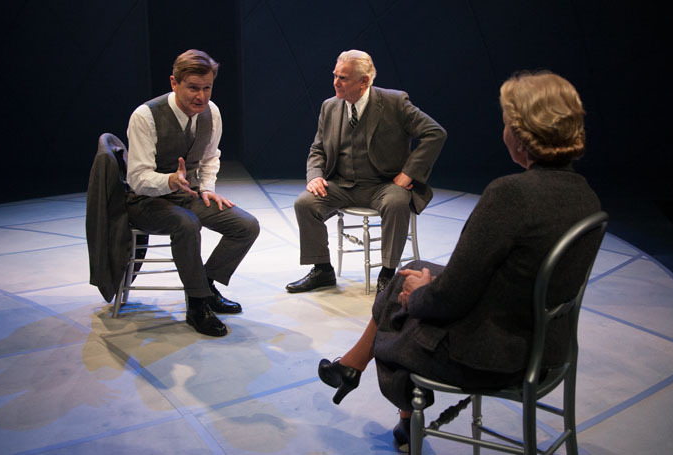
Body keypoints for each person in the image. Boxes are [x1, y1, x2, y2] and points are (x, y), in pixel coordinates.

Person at [317, 70, 602, 451]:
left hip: (495, 353)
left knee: (396, 319)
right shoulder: (585, 195)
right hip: (549, 342)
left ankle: (396, 411)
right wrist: (422, 285)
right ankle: (352, 365)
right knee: (405, 276)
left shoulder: (510, 195)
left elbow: (449, 299)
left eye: (505, 122)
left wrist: (419, 295)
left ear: (520, 134)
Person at [285, 50, 446, 295]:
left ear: (364, 81)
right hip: (342, 185)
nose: (335, 82)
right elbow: (317, 148)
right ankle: (322, 270)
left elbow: (435, 133)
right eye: (335, 75)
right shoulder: (330, 106)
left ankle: (388, 274)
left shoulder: (394, 102)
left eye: (343, 78)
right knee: (305, 203)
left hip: (383, 184)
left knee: (396, 203)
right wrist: (315, 175)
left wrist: (409, 173)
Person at [125, 49, 260, 337]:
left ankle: (206, 286)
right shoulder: (145, 116)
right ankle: (197, 305)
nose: (201, 96)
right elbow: (136, 179)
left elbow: (211, 157)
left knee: (246, 226)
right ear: (174, 83)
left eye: (207, 88)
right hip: (146, 200)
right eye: (193, 88)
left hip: (187, 194)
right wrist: (170, 181)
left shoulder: (212, 113)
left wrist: (208, 189)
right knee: (187, 224)